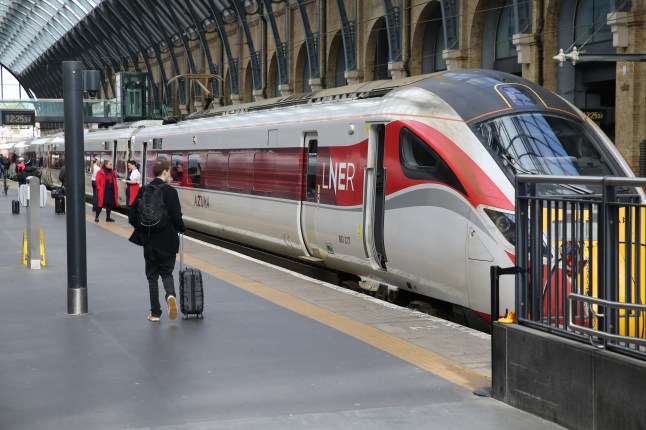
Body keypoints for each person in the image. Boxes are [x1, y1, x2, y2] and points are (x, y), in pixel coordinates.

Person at [128, 159, 186, 322]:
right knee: (167, 273)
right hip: (168, 241)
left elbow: (132, 215)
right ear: (165, 172)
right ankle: (170, 296)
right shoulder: (170, 192)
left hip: (149, 241)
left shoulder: (144, 189)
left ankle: (155, 312)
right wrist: (182, 228)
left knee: (152, 277)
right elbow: (176, 217)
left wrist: (143, 230)